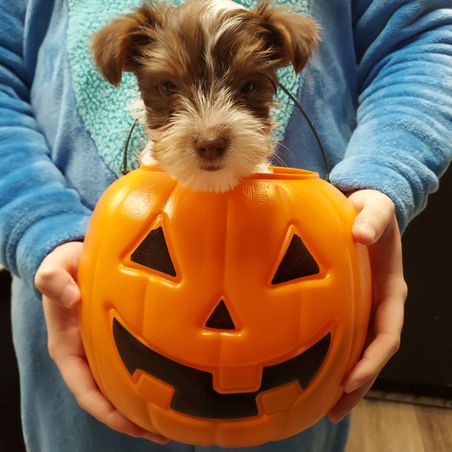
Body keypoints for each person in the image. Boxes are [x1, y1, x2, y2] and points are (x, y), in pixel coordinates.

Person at [0, 0, 451, 451]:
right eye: (169, 87)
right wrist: (38, 223)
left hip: (297, 351)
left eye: (249, 87)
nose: (209, 131)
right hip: (76, 322)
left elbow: (419, 36)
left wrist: (385, 173)